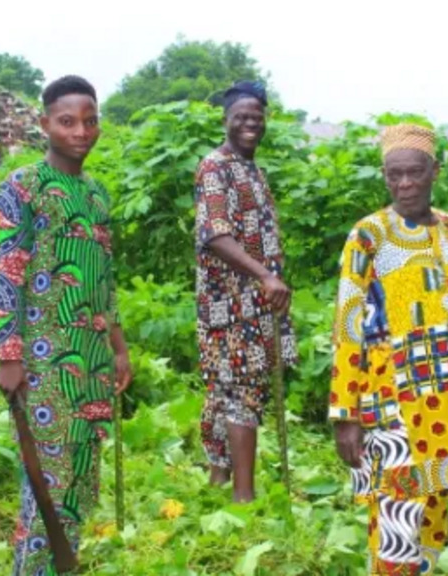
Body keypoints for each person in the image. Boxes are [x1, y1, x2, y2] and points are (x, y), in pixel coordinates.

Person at [329, 123, 448, 575]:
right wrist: (345, 414)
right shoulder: (369, 235)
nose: (404, 184)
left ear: (434, 171)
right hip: (390, 400)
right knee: (396, 520)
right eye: (393, 174)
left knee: (434, 517)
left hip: (446, 400)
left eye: (414, 173)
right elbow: (348, 325)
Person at [0, 75, 132, 575]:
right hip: (44, 359)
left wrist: (118, 347)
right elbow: (10, 270)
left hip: (91, 358)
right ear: (44, 123)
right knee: (46, 484)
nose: (80, 132)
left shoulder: (96, 195)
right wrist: (9, 355)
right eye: (68, 121)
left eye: (90, 121)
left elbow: (104, 278)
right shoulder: (24, 186)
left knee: (80, 482)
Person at [193, 80, 298, 503]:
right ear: (226, 120)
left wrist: (268, 281)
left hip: (255, 302)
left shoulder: (252, 170)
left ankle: (218, 484)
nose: (250, 124)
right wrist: (265, 276)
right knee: (241, 389)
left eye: (257, 118)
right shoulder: (215, 167)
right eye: (241, 117)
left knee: (226, 389)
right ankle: (243, 497)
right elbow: (215, 235)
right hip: (231, 303)